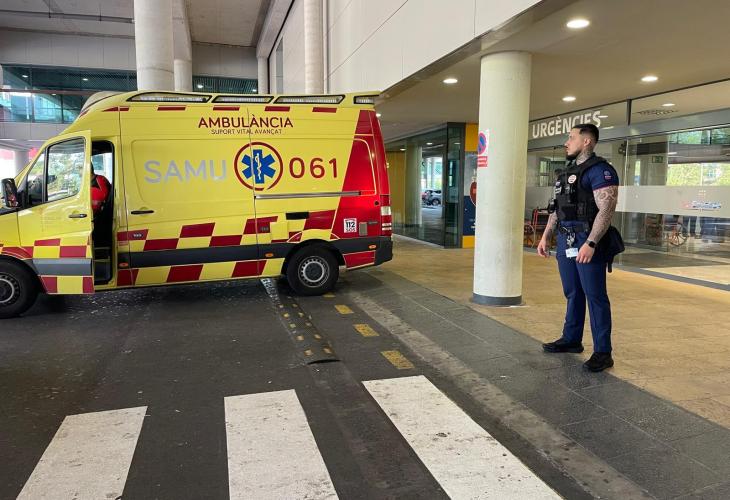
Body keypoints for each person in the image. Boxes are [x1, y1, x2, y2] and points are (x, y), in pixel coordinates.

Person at [537, 124, 619, 372]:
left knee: (595, 296)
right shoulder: (566, 173)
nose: (566, 142)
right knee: (572, 292)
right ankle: (571, 339)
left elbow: (606, 210)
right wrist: (545, 236)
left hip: (587, 239)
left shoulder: (601, 171)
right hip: (566, 240)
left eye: (571, 138)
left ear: (587, 141)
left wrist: (591, 242)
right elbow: (557, 208)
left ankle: (603, 352)